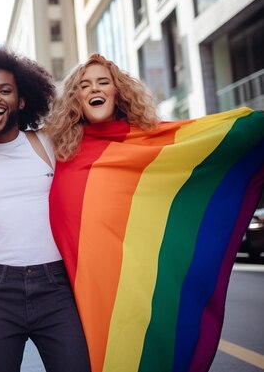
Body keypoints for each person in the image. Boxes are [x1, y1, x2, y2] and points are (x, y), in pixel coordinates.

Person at [43, 53, 264, 372]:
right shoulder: (58, 148)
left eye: (103, 82)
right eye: (84, 85)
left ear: (117, 91)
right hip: (73, 294)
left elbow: (203, 140)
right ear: (75, 98)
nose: (95, 89)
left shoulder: (143, 142)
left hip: (129, 287)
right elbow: (11, 143)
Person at [0, 43, 90, 372]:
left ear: (22, 99)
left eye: (5, 90)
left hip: (56, 287)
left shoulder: (47, 143)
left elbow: (104, 135)